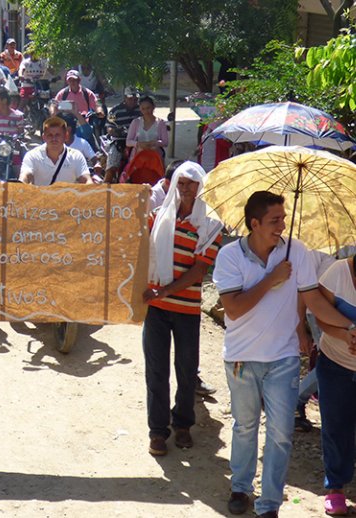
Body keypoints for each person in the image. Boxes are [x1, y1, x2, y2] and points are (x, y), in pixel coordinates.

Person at [213, 191, 356, 518]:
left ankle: (269, 504)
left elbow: (316, 301)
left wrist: (349, 327)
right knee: (245, 426)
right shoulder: (230, 256)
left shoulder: (298, 252)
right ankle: (241, 486)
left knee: (281, 433)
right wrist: (272, 279)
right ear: (255, 223)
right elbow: (233, 309)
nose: (282, 225)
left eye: (284, 218)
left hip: (284, 359)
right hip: (241, 357)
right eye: (275, 220)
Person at [142, 161, 223, 457]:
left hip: (186, 309)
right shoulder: (157, 217)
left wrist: (164, 290)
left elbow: (198, 272)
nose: (186, 188)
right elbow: (136, 247)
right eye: (181, 182)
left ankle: (184, 424)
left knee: (187, 370)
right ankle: (157, 431)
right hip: (156, 309)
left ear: (202, 186)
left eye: (191, 182)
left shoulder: (211, 226)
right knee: (156, 371)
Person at [314, 253, 356, 516]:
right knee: (335, 426)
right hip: (334, 364)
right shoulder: (338, 272)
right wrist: (346, 333)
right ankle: (336, 488)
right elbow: (320, 316)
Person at [19, 116, 92, 185]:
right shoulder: (32, 156)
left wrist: (90, 186)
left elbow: (86, 179)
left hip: (68, 197)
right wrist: (22, 183)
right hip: (41, 198)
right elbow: (25, 175)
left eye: (58, 135)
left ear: (66, 136)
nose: (54, 139)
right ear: (44, 137)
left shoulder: (76, 156)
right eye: (50, 135)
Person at [103, 87, 141, 183]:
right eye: (130, 99)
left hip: (137, 141)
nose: (133, 101)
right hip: (119, 141)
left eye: (135, 99)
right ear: (124, 98)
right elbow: (109, 127)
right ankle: (106, 184)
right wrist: (116, 131)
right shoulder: (115, 110)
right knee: (112, 163)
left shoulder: (141, 110)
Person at [57, 112, 103, 177]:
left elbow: (95, 160)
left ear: (68, 129)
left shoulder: (82, 143)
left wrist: (97, 165)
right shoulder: (52, 144)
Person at [126, 96, 168, 163]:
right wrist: (138, 144)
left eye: (148, 108)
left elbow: (165, 142)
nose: (146, 111)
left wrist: (155, 143)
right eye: (143, 109)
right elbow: (128, 142)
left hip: (155, 157)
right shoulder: (135, 122)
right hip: (138, 156)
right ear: (140, 109)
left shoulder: (161, 123)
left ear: (153, 107)